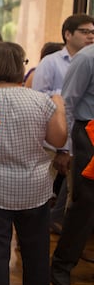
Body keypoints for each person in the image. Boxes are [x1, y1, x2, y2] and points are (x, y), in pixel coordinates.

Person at [0, 42, 67, 285]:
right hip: (34, 188)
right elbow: (58, 141)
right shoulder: (40, 101)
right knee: (36, 255)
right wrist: (59, 106)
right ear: (19, 66)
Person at [32, 14, 94, 236]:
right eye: (85, 31)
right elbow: (39, 97)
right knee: (45, 188)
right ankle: (35, 232)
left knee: (75, 192)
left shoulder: (90, 59)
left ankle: (61, 226)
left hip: (82, 135)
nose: (90, 36)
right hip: (53, 135)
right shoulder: (51, 62)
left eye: (93, 32)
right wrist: (63, 147)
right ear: (68, 34)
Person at [50, 19, 94, 285]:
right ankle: (61, 265)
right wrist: (63, 148)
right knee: (86, 203)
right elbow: (66, 104)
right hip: (88, 132)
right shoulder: (87, 58)